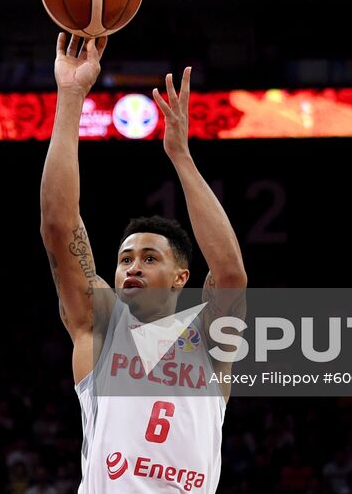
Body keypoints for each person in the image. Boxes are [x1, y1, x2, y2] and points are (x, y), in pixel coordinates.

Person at [40, 35, 247, 491]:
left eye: (149, 258)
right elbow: (59, 224)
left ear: (180, 276)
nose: (131, 267)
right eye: (125, 259)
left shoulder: (209, 342)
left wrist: (181, 156)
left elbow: (230, 272)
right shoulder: (101, 328)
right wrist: (71, 97)